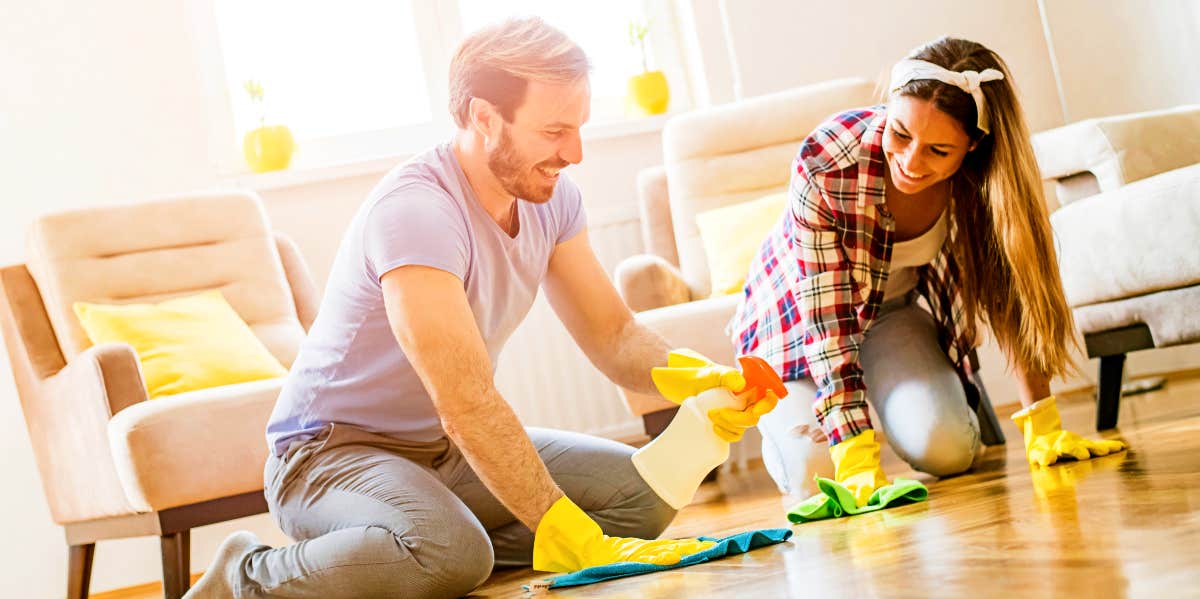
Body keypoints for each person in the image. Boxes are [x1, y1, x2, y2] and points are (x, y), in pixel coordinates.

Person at [185, 17, 764, 599]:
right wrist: (567, 532)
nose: (575, 153)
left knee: (637, 501)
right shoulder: (417, 212)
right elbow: (464, 401)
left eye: (579, 128)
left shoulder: (553, 197)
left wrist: (700, 378)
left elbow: (614, 336)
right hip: (329, 455)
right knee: (450, 555)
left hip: (442, 450)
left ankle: (431, 543)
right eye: (556, 130)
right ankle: (245, 574)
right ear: (485, 117)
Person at [729, 36, 1125, 504]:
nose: (911, 163)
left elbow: (1010, 292)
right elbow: (828, 322)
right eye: (900, 133)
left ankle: (882, 406)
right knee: (817, 475)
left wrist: (1042, 423)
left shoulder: (983, 184)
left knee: (949, 450)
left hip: (890, 315)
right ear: (889, 105)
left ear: (972, 148)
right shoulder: (827, 160)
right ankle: (787, 426)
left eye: (938, 151)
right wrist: (853, 451)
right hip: (796, 324)